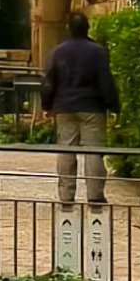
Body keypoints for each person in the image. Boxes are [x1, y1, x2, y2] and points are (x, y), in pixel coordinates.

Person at [40, 11, 120, 207]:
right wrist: (114, 105)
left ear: (69, 28)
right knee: (93, 151)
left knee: (66, 150)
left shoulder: (58, 52)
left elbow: (49, 81)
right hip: (92, 106)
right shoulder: (98, 52)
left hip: (65, 106)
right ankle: (95, 196)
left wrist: (47, 105)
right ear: (88, 28)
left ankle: (66, 196)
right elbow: (105, 81)